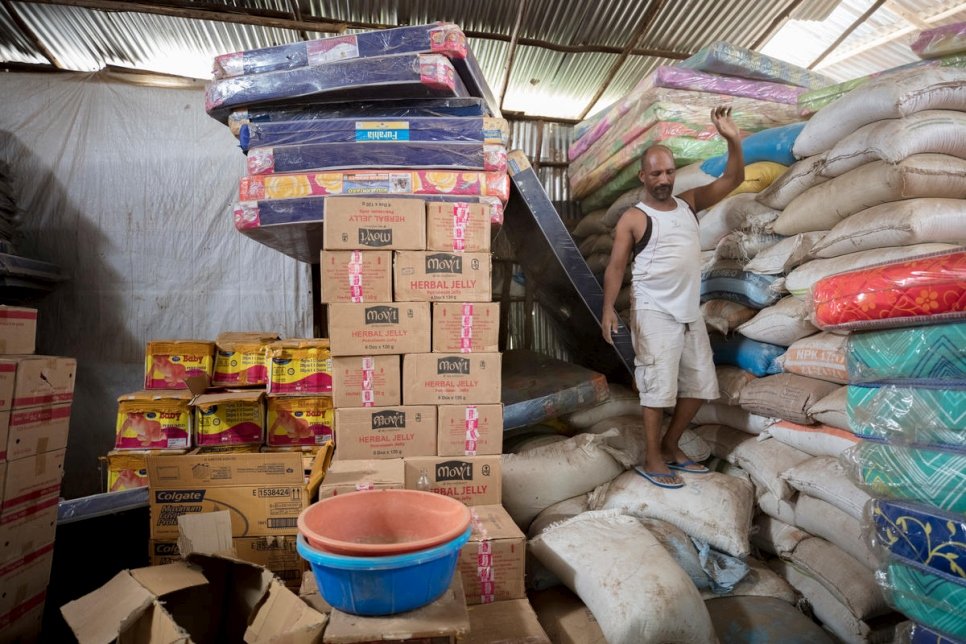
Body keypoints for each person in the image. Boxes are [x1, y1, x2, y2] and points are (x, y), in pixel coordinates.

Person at [600, 106, 744, 489]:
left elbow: (733, 179)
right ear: (643, 176)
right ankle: (652, 458)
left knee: (700, 385)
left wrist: (732, 140)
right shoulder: (634, 217)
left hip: (687, 310)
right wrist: (608, 309)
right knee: (657, 389)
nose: (664, 179)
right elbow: (615, 267)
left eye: (669, 172)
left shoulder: (689, 204)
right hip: (652, 310)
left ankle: (670, 444)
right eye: (656, 173)